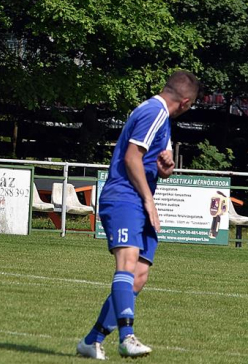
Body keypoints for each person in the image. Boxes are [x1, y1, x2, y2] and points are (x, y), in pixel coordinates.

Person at [76, 70, 199, 360]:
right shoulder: (154, 111)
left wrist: (164, 168)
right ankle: (127, 337)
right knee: (128, 262)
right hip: (124, 197)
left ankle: (91, 341)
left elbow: (152, 164)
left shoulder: (162, 120)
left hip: (138, 199)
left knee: (139, 275)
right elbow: (131, 157)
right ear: (185, 102)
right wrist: (149, 200)